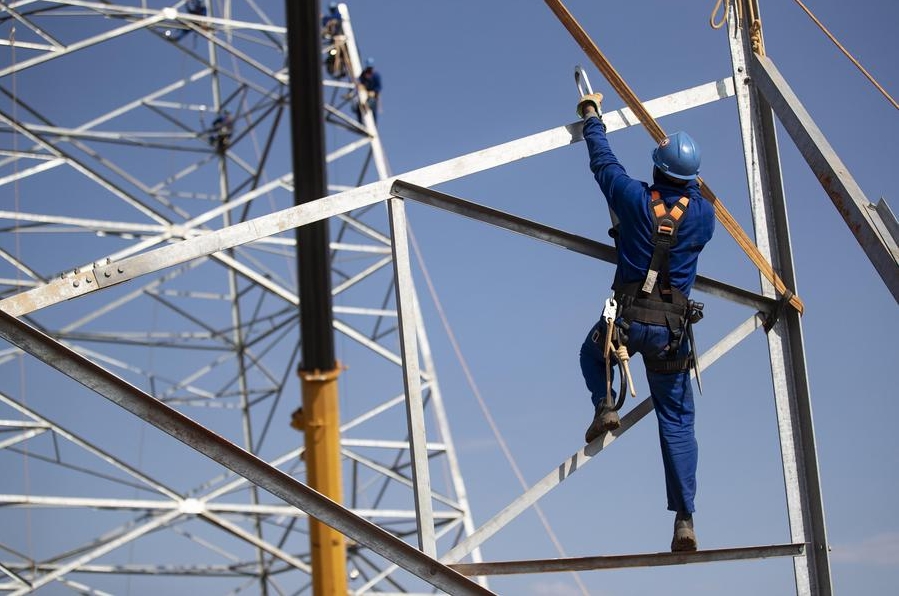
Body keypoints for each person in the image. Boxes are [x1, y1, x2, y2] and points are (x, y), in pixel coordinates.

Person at [575, 91, 715, 552]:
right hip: (672, 336)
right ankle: (685, 520)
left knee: (592, 354)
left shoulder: (632, 197)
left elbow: (603, 162)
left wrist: (592, 115)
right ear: (691, 180)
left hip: (628, 323)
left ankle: (605, 405)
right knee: (676, 421)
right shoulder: (704, 218)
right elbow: (688, 201)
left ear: (657, 170)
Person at [355, 57, 382, 123]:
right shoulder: (363, 74)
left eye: (370, 69)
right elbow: (359, 82)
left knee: (372, 106)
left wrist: (374, 92)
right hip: (364, 93)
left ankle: (373, 124)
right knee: (359, 107)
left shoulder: (376, 76)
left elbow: (378, 87)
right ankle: (360, 123)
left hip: (373, 96)